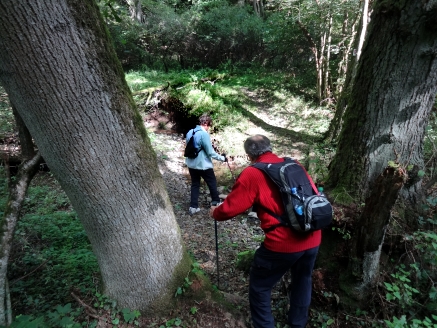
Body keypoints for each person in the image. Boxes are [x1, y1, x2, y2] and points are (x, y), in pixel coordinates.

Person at [210, 134, 321, 328]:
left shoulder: (252, 173)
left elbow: (229, 210)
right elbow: (315, 194)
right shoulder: (294, 164)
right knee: (303, 281)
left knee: (260, 287)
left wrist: (215, 212)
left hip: (283, 244)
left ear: (249, 155)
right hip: (313, 236)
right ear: (270, 148)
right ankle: (297, 325)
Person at [185, 114, 226, 215]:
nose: (208, 128)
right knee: (212, 182)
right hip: (203, 165)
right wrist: (223, 158)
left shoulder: (190, 132)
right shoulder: (204, 134)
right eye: (209, 125)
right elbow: (210, 152)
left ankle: (193, 207)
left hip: (191, 164)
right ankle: (216, 202)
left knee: (195, 184)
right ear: (206, 124)